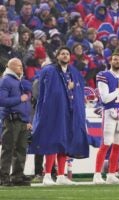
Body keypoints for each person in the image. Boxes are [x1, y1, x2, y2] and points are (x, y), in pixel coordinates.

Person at [29, 46, 89, 185]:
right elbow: (48, 93)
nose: (65, 56)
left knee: (64, 143)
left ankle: (61, 176)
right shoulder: (49, 71)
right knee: (53, 143)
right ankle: (47, 175)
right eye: (62, 53)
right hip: (53, 113)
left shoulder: (73, 72)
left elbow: (78, 94)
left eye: (67, 54)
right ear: (57, 56)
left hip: (68, 113)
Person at [93, 53, 119, 184]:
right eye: (115, 59)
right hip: (110, 111)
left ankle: (111, 175)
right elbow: (105, 98)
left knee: (118, 145)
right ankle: (97, 175)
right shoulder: (103, 75)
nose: (117, 61)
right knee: (106, 144)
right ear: (110, 61)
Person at [0, 58, 32, 186]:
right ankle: (3, 177)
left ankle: (17, 176)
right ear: (11, 66)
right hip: (11, 119)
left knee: (21, 149)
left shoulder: (19, 81)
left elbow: (26, 103)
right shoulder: (6, 81)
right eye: (19, 66)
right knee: (8, 149)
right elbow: (2, 101)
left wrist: (28, 120)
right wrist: (19, 98)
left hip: (22, 120)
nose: (21, 68)